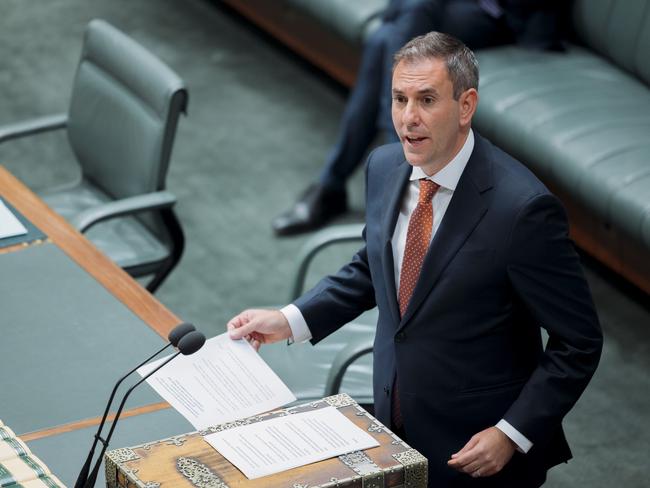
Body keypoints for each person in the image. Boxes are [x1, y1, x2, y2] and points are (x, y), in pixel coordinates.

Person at [231, 32, 602, 486]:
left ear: (466, 106)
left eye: (427, 99)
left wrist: (512, 432)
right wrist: (290, 319)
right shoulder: (385, 167)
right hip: (395, 421)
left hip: (478, 449)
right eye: (400, 99)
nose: (409, 118)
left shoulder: (522, 210)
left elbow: (579, 342)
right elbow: (374, 268)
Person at [272, 0, 566, 236]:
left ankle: (340, 181)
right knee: (385, 38)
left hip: (502, 14)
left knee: (403, 21)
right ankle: (397, 164)